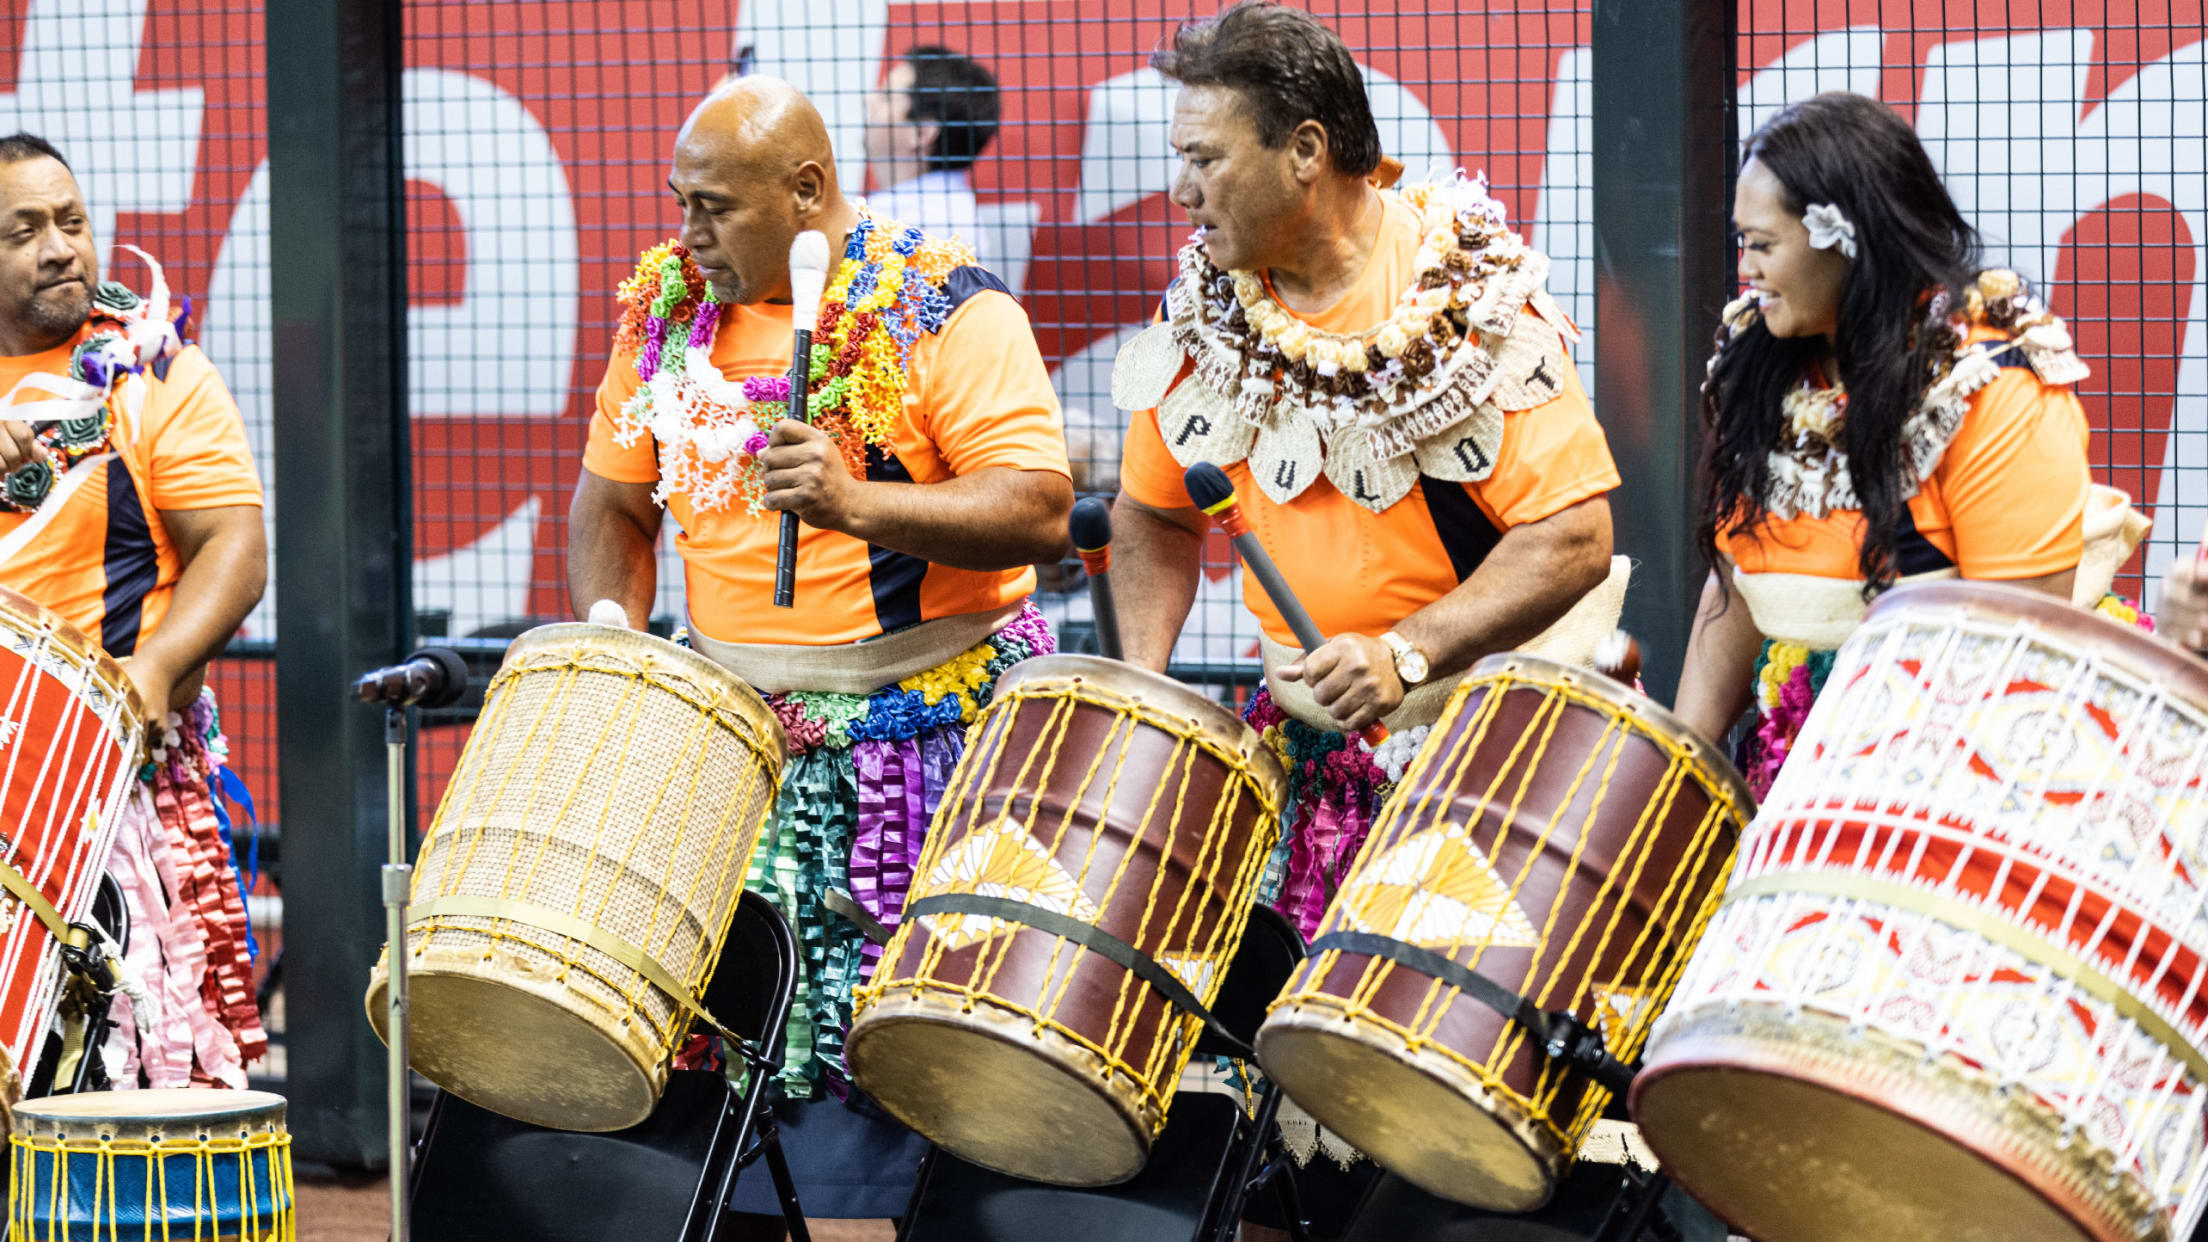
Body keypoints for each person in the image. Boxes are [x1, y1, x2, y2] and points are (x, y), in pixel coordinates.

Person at [1104, 6, 1622, 1230]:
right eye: (1178, 161)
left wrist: (1407, 652)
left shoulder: (1474, 302)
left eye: (1204, 159)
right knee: (1276, 1105)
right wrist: (1147, 683)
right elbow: (1150, 515)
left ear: (1307, 151)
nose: (1182, 192)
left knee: (1459, 1111)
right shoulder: (1199, 316)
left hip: (1486, 757)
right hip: (1298, 755)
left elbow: (1576, 537)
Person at [567, 77, 1070, 1233]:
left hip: (923, 738)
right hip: (731, 747)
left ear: (807, 190)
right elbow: (614, 505)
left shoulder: (943, 308)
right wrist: (611, 631)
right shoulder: (665, 317)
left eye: (714, 208)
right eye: (678, 204)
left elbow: (1040, 506)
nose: (687, 234)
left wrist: (858, 505)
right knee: (729, 1067)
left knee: (924, 1073)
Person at [1671, 92, 2146, 792]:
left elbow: (2022, 656)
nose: (1747, 268)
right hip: (1811, 768)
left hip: (1978, 769)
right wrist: (1675, 768)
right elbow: (1738, 588)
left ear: (1847, 237)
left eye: (1764, 244)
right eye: (1743, 242)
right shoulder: (1759, 360)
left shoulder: (1991, 384)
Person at [0, 132, 269, 1092]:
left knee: (111, 1066)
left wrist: (150, 672)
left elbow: (235, 548)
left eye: (71, 221)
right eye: (23, 231)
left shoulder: (157, 371)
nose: (62, 248)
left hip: (104, 788)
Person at [862, 45, 1000, 240]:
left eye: (887, 98)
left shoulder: (914, 225)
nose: (868, 101)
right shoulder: (948, 209)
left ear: (920, 133)